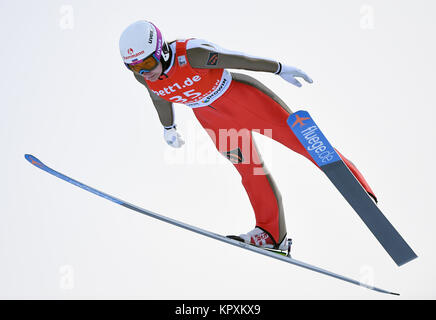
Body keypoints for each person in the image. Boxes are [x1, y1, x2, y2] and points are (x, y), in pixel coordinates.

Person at [119, 20, 377, 252]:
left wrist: (279, 68)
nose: (143, 71)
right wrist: (168, 127)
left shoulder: (192, 53)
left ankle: (357, 186)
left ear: (161, 50)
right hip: (214, 120)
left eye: (147, 63)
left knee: (303, 144)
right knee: (250, 170)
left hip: (244, 100)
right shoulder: (143, 77)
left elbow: (239, 59)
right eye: (133, 66)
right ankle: (272, 234)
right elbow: (157, 95)